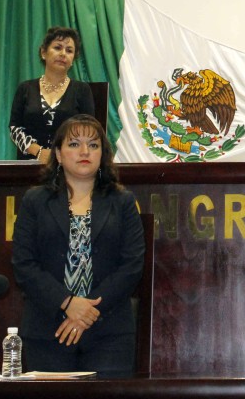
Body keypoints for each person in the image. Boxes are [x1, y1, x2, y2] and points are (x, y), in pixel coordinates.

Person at [11, 114, 145, 377]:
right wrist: (67, 302)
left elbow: (132, 266)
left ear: (103, 155)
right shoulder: (35, 201)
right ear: (58, 155)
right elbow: (23, 264)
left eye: (93, 145)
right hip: (47, 330)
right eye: (74, 144)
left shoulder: (123, 201)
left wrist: (88, 309)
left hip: (110, 333)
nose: (85, 151)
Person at [9, 26, 96, 161]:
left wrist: (62, 154)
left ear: (73, 59)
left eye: (69, 50)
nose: (63, 54)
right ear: (43, 52)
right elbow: (14, 128)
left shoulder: (82, 90)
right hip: (28, 166)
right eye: (57, 47)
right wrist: (38, 152)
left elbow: (88, 130)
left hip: (68, 165)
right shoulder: (25, 88)